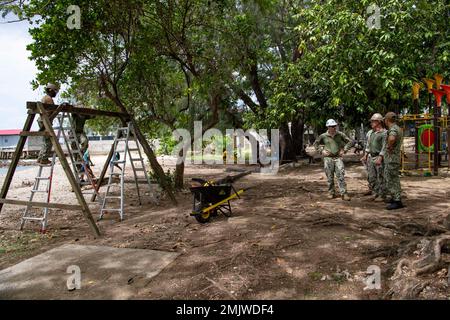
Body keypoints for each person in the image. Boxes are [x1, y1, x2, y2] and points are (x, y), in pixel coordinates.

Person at [313, 119, 354, 201]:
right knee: (329, 176)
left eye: (335, 126)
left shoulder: (340, 134)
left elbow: (350, 142)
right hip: (328, 158)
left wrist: (344, 150)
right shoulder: (323, 136)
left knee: (341, 175)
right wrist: (321, 151)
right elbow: (315, 144)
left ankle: (344, 193)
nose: (334, 128)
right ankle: (331, 193)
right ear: (328, 127)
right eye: (332, 126)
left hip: (338, 157)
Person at [376, 112, 404, 210]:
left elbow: (392, 139)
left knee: (391, 179)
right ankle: (394, 198)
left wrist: (390, 146)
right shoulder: (398, 128)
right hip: (395, 158)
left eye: (384, 120)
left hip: (392, 158)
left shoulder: (392, 129)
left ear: (387, 120)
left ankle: (397, 201)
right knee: (393, 178)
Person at [361, 113, 387, 201]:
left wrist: (380, 157)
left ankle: (382, 195)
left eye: (373, 121)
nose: (371, 123)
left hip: (379, 157)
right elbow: (368, 145)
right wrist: (365, 155)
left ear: (379, 122)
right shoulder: (370, 132)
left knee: (381, 177)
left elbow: (384, 147)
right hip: (371, 157)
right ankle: (375, 193)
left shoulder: (384, 133)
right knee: (372, 177)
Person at [37, 83, 59, 165]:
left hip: (43, 120)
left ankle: (40, 158)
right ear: (50, 90)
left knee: (45, 141)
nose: (55, 93)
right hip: (45, 121)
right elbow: (52, 111)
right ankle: (44, 158)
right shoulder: (49, 99)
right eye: (55, 91)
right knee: (49, 141)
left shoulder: (45, 98)